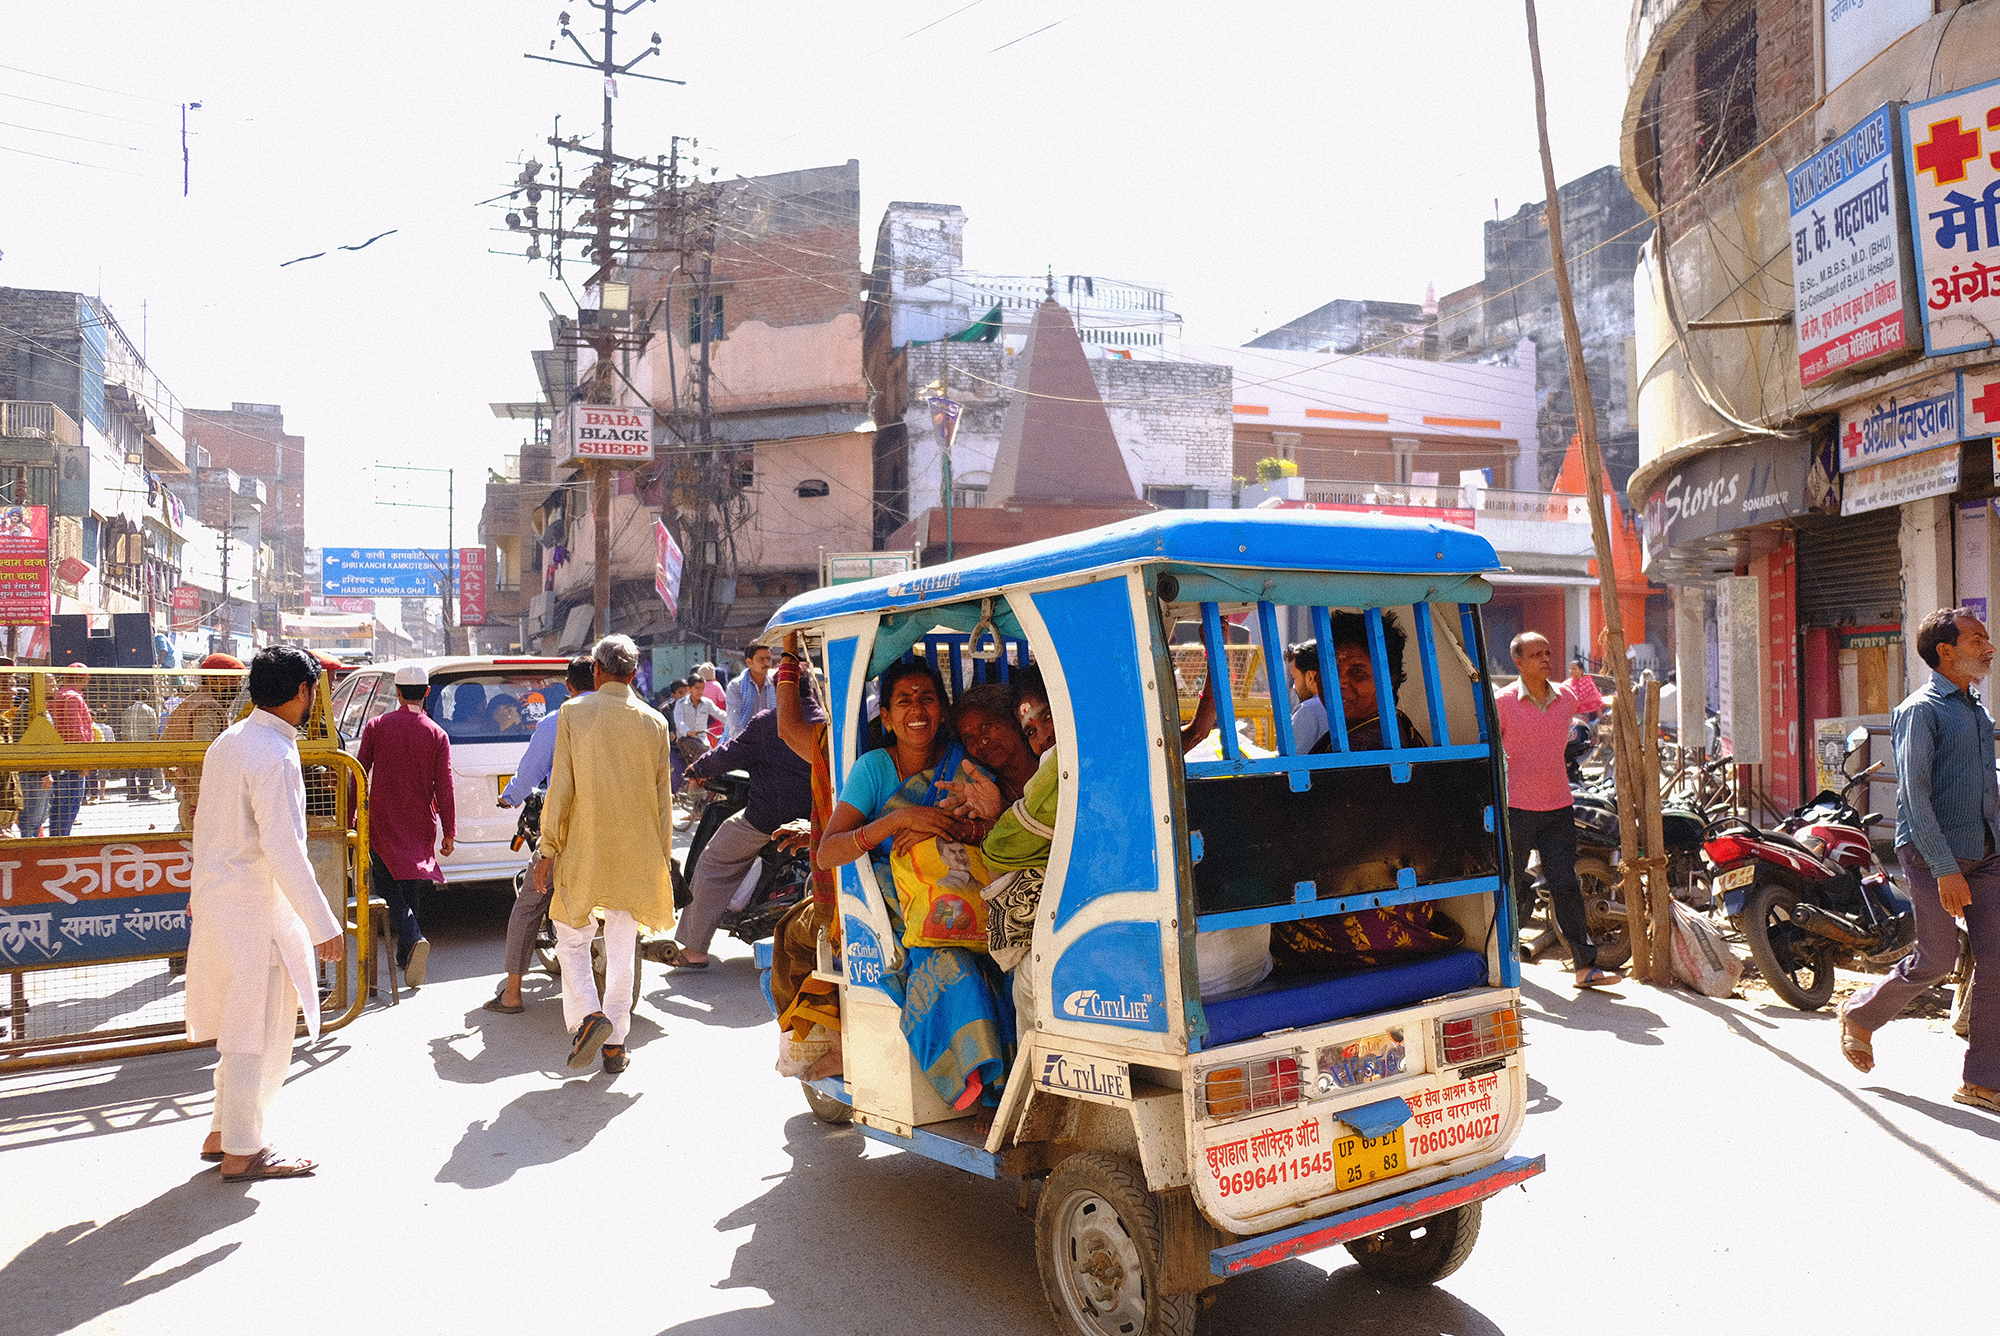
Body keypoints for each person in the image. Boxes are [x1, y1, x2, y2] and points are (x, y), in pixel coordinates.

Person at [817, 658, 1011, 1113]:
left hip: (969, 896)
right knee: (955, 969)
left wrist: (946, 828)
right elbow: (829, 852)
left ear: (941, 710)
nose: (916, 709)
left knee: (1011, 964)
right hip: (901, 911)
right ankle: (985, 1092)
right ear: (885, 716)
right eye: (903, 700)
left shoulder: (963, 765)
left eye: (927, 698)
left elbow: (992, 831)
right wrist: (900, 819)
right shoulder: (873, 769)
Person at [186, 645, 344, 1181]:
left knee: (242, 1026)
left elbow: (206, 828)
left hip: (219, 903)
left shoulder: (229, 743)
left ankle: (222, 1132)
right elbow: (285, 848)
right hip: (256, 909)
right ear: (303, 693)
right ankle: (244, 1148)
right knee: (263, 1032)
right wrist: (325, 924)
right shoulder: (274, 754)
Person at [1839, 608, 1999, 1113]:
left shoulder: (1977, 712)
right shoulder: (1920, 711)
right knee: (1937, 959)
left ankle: (1982, 1079)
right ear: (1946, 652)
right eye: (1979, 640)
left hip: (1988, 853)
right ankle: (1861, 1016)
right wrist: (1945, 868)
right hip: (1933, 853)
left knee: (1997, 964)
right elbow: (1914, 796)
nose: (1990, 646)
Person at [528, 634, 675, 1074]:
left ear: (596, 670)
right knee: (621, 944)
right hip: (638, 850)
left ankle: (589, 1017)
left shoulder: (574, 713)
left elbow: (561, 790)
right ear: (633, 675)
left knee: (570, 936)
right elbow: (663, 800)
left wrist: (547, 848)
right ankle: (615, 1044)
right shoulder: (655, 722)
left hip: (585, 847)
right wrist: (662, 860)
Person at [1495, 630, 1619, 989]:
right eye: (1537, 654)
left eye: (1548, 652)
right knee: (1511, 885)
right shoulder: (1502, 703)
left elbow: (1600, 701)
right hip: (1515, 808)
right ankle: (1504, 960)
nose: (1547, 659)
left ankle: (1584, 967)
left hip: (1558, 808)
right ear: (1518, 662)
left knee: (1566, 885)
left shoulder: (1564, 697)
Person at [658, 692, 817, 971]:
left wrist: (699, 768)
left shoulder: (770, 722)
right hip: (817, 820)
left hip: (768, 819)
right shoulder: (827, 723)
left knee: (713, 862)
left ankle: (694, 949)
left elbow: (731, 752)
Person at [488, 655, 595, 1014]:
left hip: (565, 829)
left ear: (569, 686)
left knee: (529, 902)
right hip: (615, 829)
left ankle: (513, 992)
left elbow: (530, 773)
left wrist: (510, 797)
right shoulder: (625, 718)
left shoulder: (556, 721)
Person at [355, 664, 455, 987]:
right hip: (420, 822)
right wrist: (449, 831)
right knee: (412, 884)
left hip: (383, 821)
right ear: (427, 692)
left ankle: (412, 937)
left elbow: (359, 774)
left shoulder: (376, 726)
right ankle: (406, 952)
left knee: (386, 886)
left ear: (397, 692)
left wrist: (352, 816)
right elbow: (445, 787)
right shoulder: (438, 734)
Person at [1286, 612, 1423, 754]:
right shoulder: (1393, 724)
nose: (1339, 682)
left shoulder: (1361, 746)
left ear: (1389, 680)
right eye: (1329, 669)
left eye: (1357, 671)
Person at [163, 653, 245, 831]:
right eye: (233, 681)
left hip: (192, 799)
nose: (237, 687)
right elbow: (204, 754)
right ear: (213, 679)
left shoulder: (189, 704)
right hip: (205, 803)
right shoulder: (208, 708)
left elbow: (166, 752)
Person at [47, 664, 94, 837]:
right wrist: (84, 760)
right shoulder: (73, 698)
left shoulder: (56, 696)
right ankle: (61, 842)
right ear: (84, 678)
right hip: (73, 759)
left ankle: (56, 839)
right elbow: (77, 730)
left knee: (58, 805)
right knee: (70, 804)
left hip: (57, 757)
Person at [723, 644, 777, 741]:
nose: (767, 663)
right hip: (741, 744)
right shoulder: (736, 686)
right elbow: (734, 724)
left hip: (768, 745)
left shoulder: (775, 686)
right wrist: (744, 746)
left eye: (769, 659)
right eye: (761, 659)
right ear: (749, 662)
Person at [121, 688, 160, 800]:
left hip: (130, 746)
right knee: (145, 770)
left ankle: (132, 793)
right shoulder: (149, 711)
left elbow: (124, 732)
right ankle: (144, 793)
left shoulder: (127, 711)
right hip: (145, 745)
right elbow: (154, 731)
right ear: (147, 698)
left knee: (130, 770)